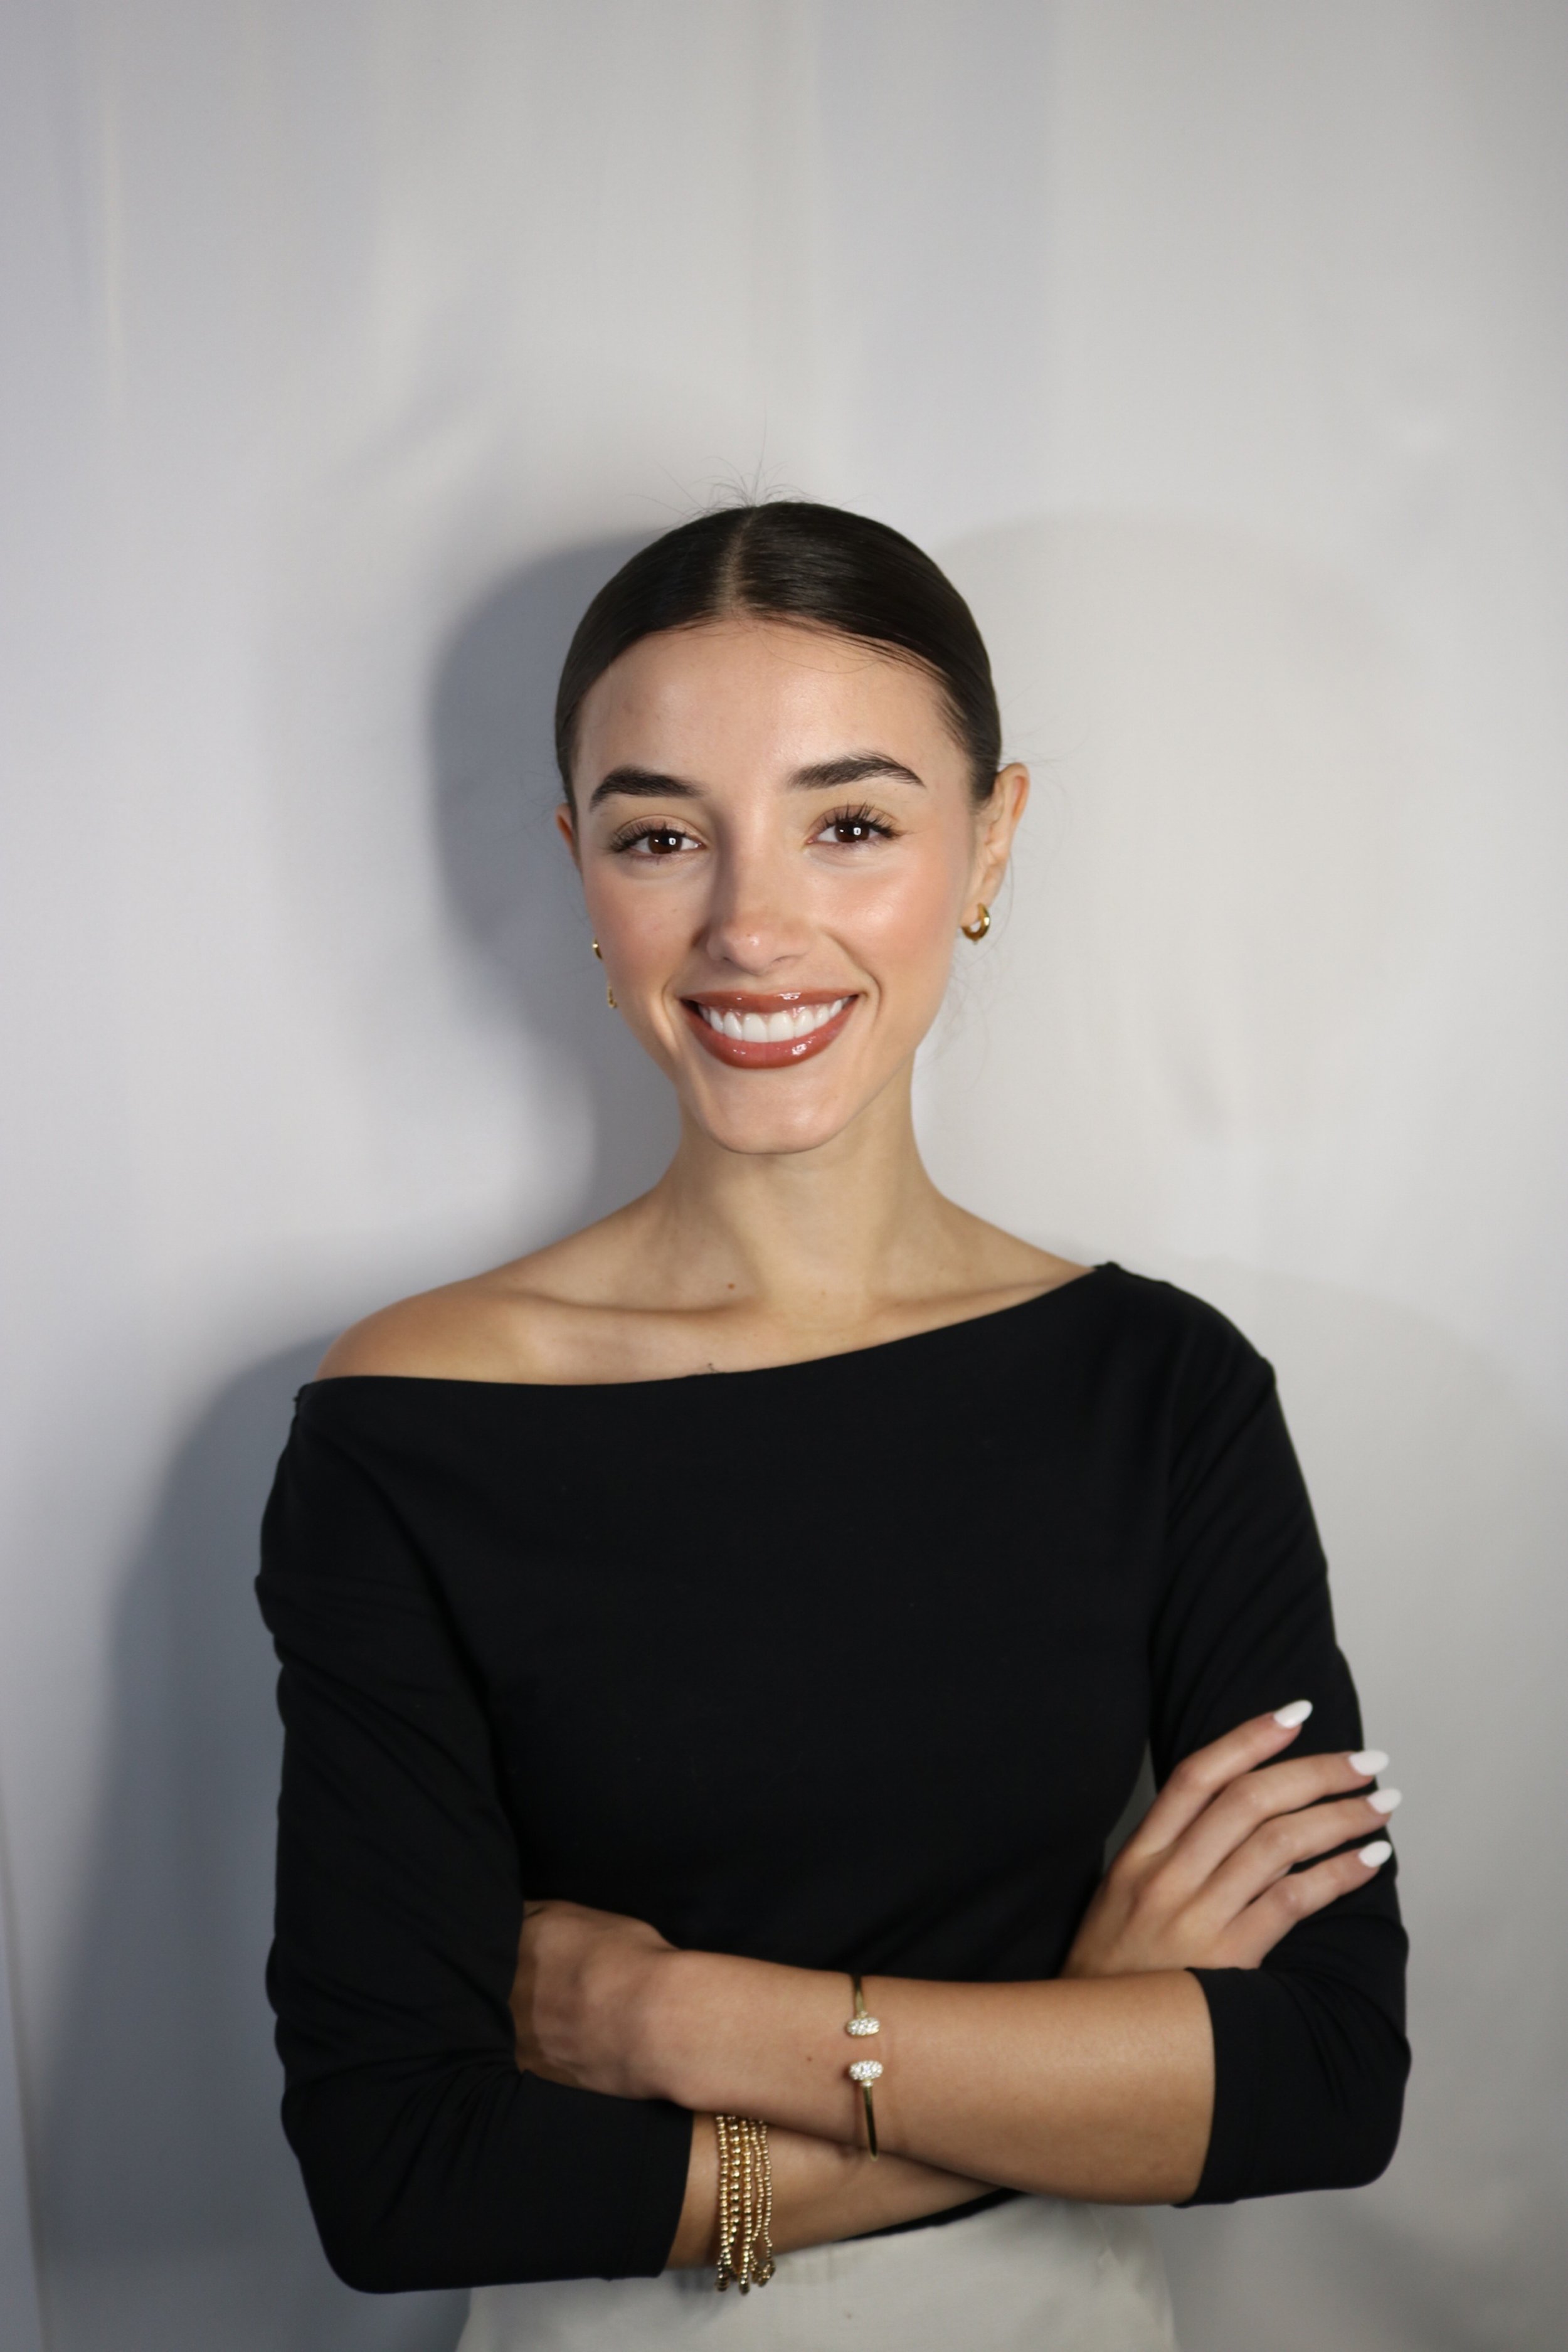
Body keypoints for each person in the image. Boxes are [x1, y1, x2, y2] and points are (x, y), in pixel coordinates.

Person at [257, 501, 1407, 2350]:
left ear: (989, 843)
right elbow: (402, 2182)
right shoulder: (412, 1425)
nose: (750, 928)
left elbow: (1325, 2079)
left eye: (850, 824)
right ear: (579, 870)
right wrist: (1076, 2050)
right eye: (659, 836)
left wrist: (670, 2023)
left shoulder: (1162, 1394)